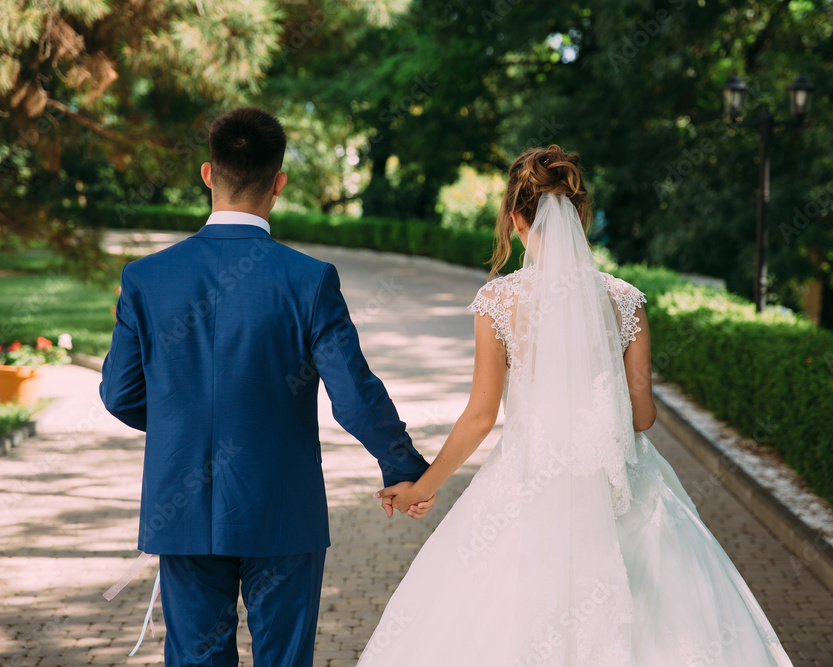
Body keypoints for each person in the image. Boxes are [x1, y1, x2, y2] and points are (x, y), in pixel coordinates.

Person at [368, 145, 795, 666]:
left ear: (516, 219)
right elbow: (642, 418)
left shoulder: (498, 303)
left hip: (528, 482)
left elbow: (481, 417)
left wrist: (423, 487)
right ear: (578, 215)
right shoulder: (626, 300)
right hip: (621, 482)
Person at [99, 106, 434, 667]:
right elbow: (353, 396)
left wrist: (187, 426)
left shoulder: (146, 278)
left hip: (180, 505)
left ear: (208, 174)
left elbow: (119, 394)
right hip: (282, 505)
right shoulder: (309, 279)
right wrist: (405, 468)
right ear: (279, 182)